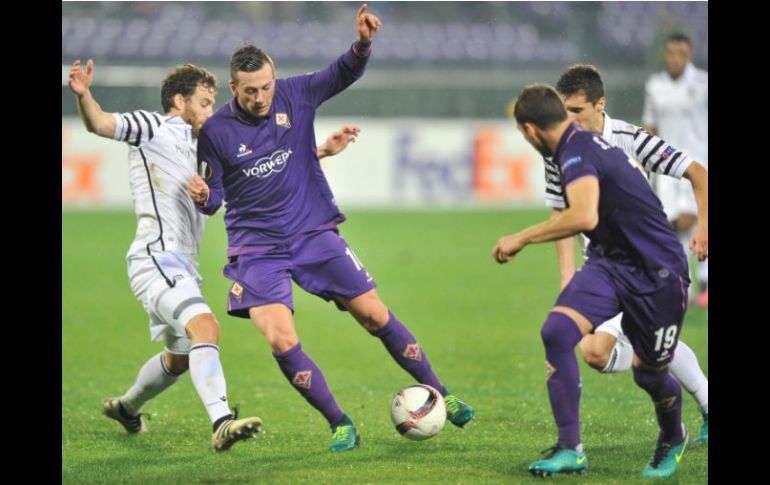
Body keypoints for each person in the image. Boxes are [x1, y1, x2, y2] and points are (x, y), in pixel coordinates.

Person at [187, 3, 474, 452]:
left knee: (374, 314)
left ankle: (446, 394)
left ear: (274, 78)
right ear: (232, 88)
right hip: (257, 250)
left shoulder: (297, 94)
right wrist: (205, 197)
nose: (260, 97)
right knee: (281, 339)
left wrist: (362, 43)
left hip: (313, 233)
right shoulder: (215, 132)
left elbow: (343, 72)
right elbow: (216, 198)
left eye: (265, 87)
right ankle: (340, 423)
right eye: (249, 92)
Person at [67, 57, 359, 451]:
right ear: (178, 101)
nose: (210, 110)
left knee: (181, 355)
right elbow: (100, 123)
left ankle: (126, 406)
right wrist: (84, 96)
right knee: (206, 328)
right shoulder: (154, 127)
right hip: (157, 256)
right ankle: (222, 421)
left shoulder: (206, 145)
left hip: (181, 262)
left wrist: (320, 151)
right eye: (204, 102)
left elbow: (253, 173)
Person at [495, 84, 691, 478]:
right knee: (557, 332)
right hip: (610, 264)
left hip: (657, 273)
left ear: (532, 130)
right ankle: (571, 449)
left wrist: (521, 237)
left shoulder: (578, 152)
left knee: (649, 373)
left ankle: (673, 436)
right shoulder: (576, 145)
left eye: (523, 134)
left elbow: (584, 217)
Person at [549, 64, 708, 445]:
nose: (568, 121)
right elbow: (561, 213)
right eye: (562, 111)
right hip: (603, 268)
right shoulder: (558, 149)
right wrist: (567, 276)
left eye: (576, 111)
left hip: (649, 266)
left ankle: (689, 409)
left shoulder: (629, 138)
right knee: (597, 352)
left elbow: (697, 171)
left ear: (600, 104)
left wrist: (704, 225)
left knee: (624, 352)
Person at [643, 33, 709, 306]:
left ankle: (703, 282)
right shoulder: (654, 85)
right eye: (670, 53)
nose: (675, 58)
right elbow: (650, 126)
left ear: (689, 55)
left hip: (698, 164)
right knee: (672, 229)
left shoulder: (703, 83)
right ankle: (686, 287)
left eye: (680, 53)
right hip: (666, 169)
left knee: (692, 221)